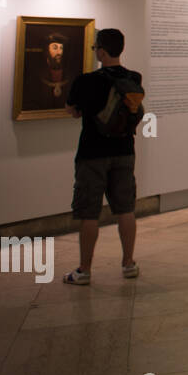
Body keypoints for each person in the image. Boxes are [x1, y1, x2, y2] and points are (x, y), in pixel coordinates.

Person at [63, 28, 142, 284]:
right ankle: (128, 263)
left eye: (95, 47)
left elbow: (72, 111)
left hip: (92, 153)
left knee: (89, 213)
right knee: (126, 209)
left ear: (102, 51)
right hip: (124, 151)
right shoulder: (134, 77)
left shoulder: (86, 81)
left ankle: (84, 270)